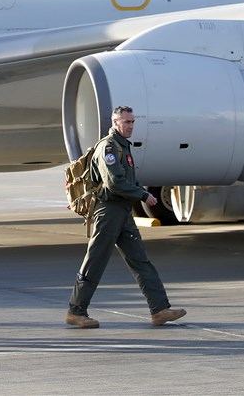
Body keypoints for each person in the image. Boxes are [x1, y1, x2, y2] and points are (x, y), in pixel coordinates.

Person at [66, 106, 186, 328]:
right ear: (115, 122)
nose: (130, 126)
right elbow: (114, 182)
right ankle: (76, 311)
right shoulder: (109, 148)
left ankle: (159, 309)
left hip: (122, 211)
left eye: (132, 122)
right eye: (126, 122)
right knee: (96, 260)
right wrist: (143, 195)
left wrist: (138, 190)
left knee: (140, 260)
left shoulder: (123, 147)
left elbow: (127, 180)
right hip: (108, 211)